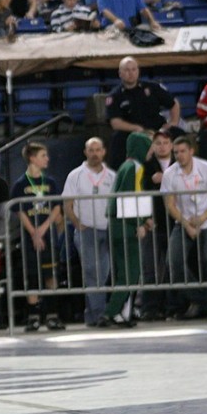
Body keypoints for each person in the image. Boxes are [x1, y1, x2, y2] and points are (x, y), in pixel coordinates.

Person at [162, 135, 207, 320]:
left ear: (191, 151)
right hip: (182, 222)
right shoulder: (170, 174)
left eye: (182, 151)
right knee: (173, 263)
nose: (179, 156)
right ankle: (203, 300)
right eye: (176, 153)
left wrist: (202, 218)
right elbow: (170, 204)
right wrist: (186, 224)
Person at [98, 132, 149, 328]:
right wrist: (139, 222)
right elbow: (131, 197)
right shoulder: (136, 167)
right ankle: (111, 312)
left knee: (122, 273)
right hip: (127, 226)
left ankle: (119, 314)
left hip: (115, 224)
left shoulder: (124, 166)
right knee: (132, 273)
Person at [11, 141, 64, 331]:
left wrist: (43, 228)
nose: (47, 159)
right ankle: (33, 315)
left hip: (47, 234)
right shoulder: (20, 184)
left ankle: (52, 315)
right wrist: (33, 232)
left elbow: (57, 207)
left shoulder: (50, 182)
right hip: (29, 237)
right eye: (43, 155)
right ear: (32, 158)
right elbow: (20, 212)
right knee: (32, 276)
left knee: (50, 275)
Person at [64, 137, 116, 328]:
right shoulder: (75, 175)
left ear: (104, 152)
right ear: (85, 152)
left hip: (107, 229)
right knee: (91, 272)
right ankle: (101, 314)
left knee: (102, 273)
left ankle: (91, 315)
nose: (95, 153)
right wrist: (77, 223)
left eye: (98, 150)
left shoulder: (112, 176)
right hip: (86, 230)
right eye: (91, 150)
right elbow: (67, 203)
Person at [106, 57, 182, 169]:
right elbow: (115, 122)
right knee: (117, 138)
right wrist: (137, 128)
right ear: (120, 73)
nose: (131, 73)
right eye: (127, 70)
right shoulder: (115, 96)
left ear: (138, 71)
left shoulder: (152, 87)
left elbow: (173, 103)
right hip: (133, 133)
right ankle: (118, 175)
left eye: (133, 69)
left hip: (157, 129)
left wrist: (174, 122)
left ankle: (184, 169)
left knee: (178, 133)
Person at [140, 129, 178, 320]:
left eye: (165, 142)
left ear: (171, 145)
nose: (162, 146)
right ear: (153, 147)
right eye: (158, 143)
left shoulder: (179, 166)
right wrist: (145, 217)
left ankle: (174, 306)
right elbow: (139, 194)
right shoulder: (146, 167)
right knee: (151, 267)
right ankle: (150, 307)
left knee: (174, 265)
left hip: (175, 221)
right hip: (153, 222)